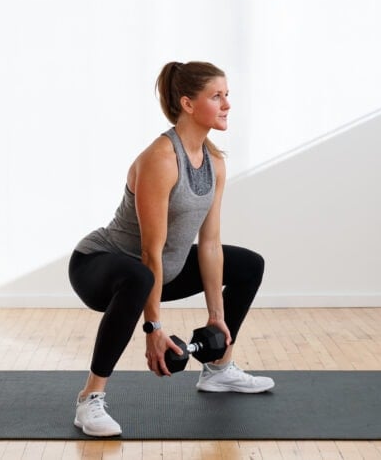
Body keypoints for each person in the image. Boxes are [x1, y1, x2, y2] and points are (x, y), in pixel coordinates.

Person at [68, 60, 273, 437]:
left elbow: (209, 244)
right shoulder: (161, 160)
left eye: (227, 95)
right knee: (140, 274)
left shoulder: (214, 162)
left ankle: (218, 369)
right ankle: (90, 399)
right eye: (217, 96)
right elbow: (150, 252)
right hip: (100, 266)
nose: (227, 104)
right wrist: (155, 329)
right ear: (188, 104)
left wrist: (217, 318)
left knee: (248, 265)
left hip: (162, 269)